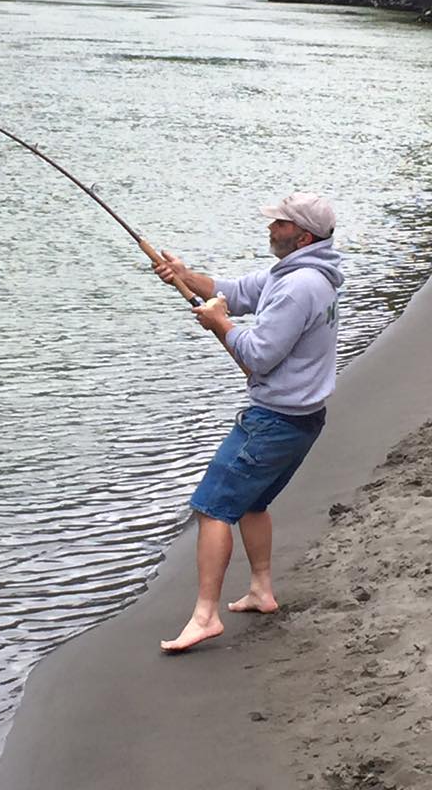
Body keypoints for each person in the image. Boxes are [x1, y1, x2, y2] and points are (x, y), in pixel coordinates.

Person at [153, 191, 343, 652]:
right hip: (300, 418)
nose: (269, 228)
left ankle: (204, 617)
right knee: (253, 502)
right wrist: (184, 277)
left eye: (278, 224)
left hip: (275, 420)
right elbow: (235, 292)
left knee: (213, 507)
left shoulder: (301, 286)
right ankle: (260, 590)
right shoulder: (299, 273)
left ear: (302, 235)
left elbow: (258, 356)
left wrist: (220, 325)